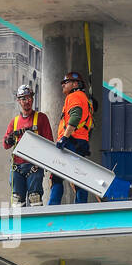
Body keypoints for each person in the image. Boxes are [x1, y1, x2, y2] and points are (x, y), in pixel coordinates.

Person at [2, 84, 54, 205]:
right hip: (17, 167)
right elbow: (5, 145)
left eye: (29, 98)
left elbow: (49, 142)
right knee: (17, 201)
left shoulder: (41, 118)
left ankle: (35, 224)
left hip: (34, 165)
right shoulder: (14, 122)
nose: (27, 101)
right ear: (19, 101)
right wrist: (9, 139)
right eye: (24, 99)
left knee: (35, 198)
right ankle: (20, 224)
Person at [48, 71, 94, 205]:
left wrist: (64, 137)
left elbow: (75, 116)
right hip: (80, 142)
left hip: (71, 142)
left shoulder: (74, 96)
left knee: (56, 175)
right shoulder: (83, 98)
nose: (63, 85)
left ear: (75, 84)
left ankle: (53, 205)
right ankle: (81, 205)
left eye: (65, 82)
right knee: (79, 175)